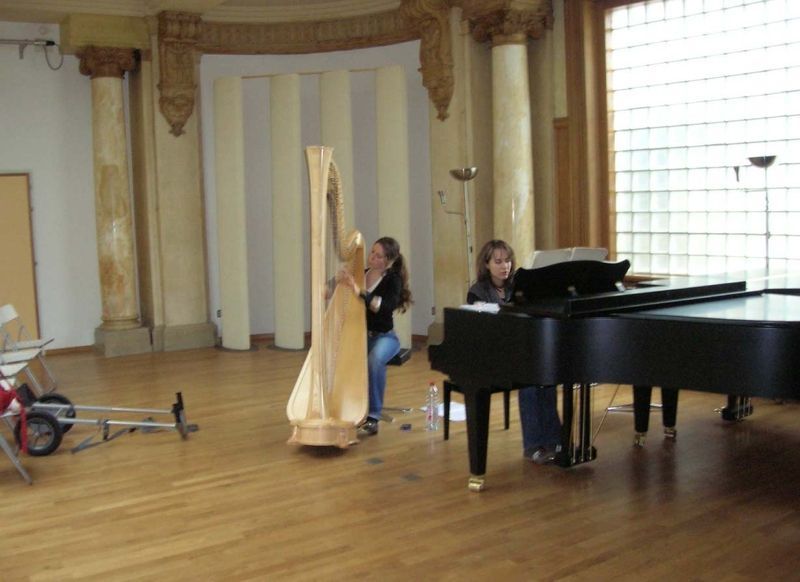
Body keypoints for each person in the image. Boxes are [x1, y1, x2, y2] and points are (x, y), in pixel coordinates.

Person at [467, 239, 562, 464]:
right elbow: (481, 331)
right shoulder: (477, 291)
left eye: (507, 260)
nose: (504, 266)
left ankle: (555, 440)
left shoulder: (519, 288)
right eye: (498, 261)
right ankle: (532, 445)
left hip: (521, 350)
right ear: (486, 264)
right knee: (528, 382)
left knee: (547, 378)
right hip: (494, 355)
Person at [342, 236, 413, 436]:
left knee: (374, 360)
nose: (371, 257)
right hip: (361, 336)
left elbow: (383, 308)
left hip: (385, 337)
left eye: (378, 255)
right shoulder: (361, 274)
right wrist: (333, 284)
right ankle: (349, 407)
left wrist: (360, 292)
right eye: (372, 252)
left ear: (388, 261)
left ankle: (373, 417)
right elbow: (336, 291)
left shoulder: (393, 280)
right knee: (344, 359)